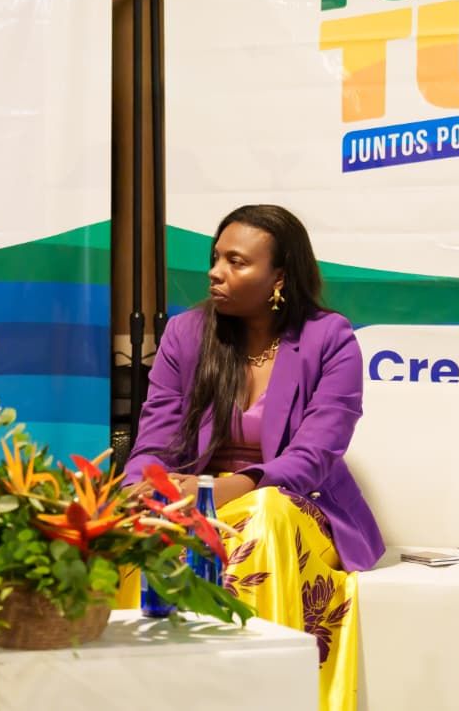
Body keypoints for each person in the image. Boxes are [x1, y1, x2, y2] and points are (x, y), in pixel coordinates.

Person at [123, 204, 383, 711]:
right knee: (129, 519)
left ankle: (254, 695)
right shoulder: (186, 334)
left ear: (279, 277)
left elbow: (315, 455)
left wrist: (229, 489)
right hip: (199, 501)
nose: (215, 272)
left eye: (237, 262)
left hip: (296, 504)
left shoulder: (330, 340)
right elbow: (153, 439)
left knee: (263, 515)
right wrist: (142, 484)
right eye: (216, 257)